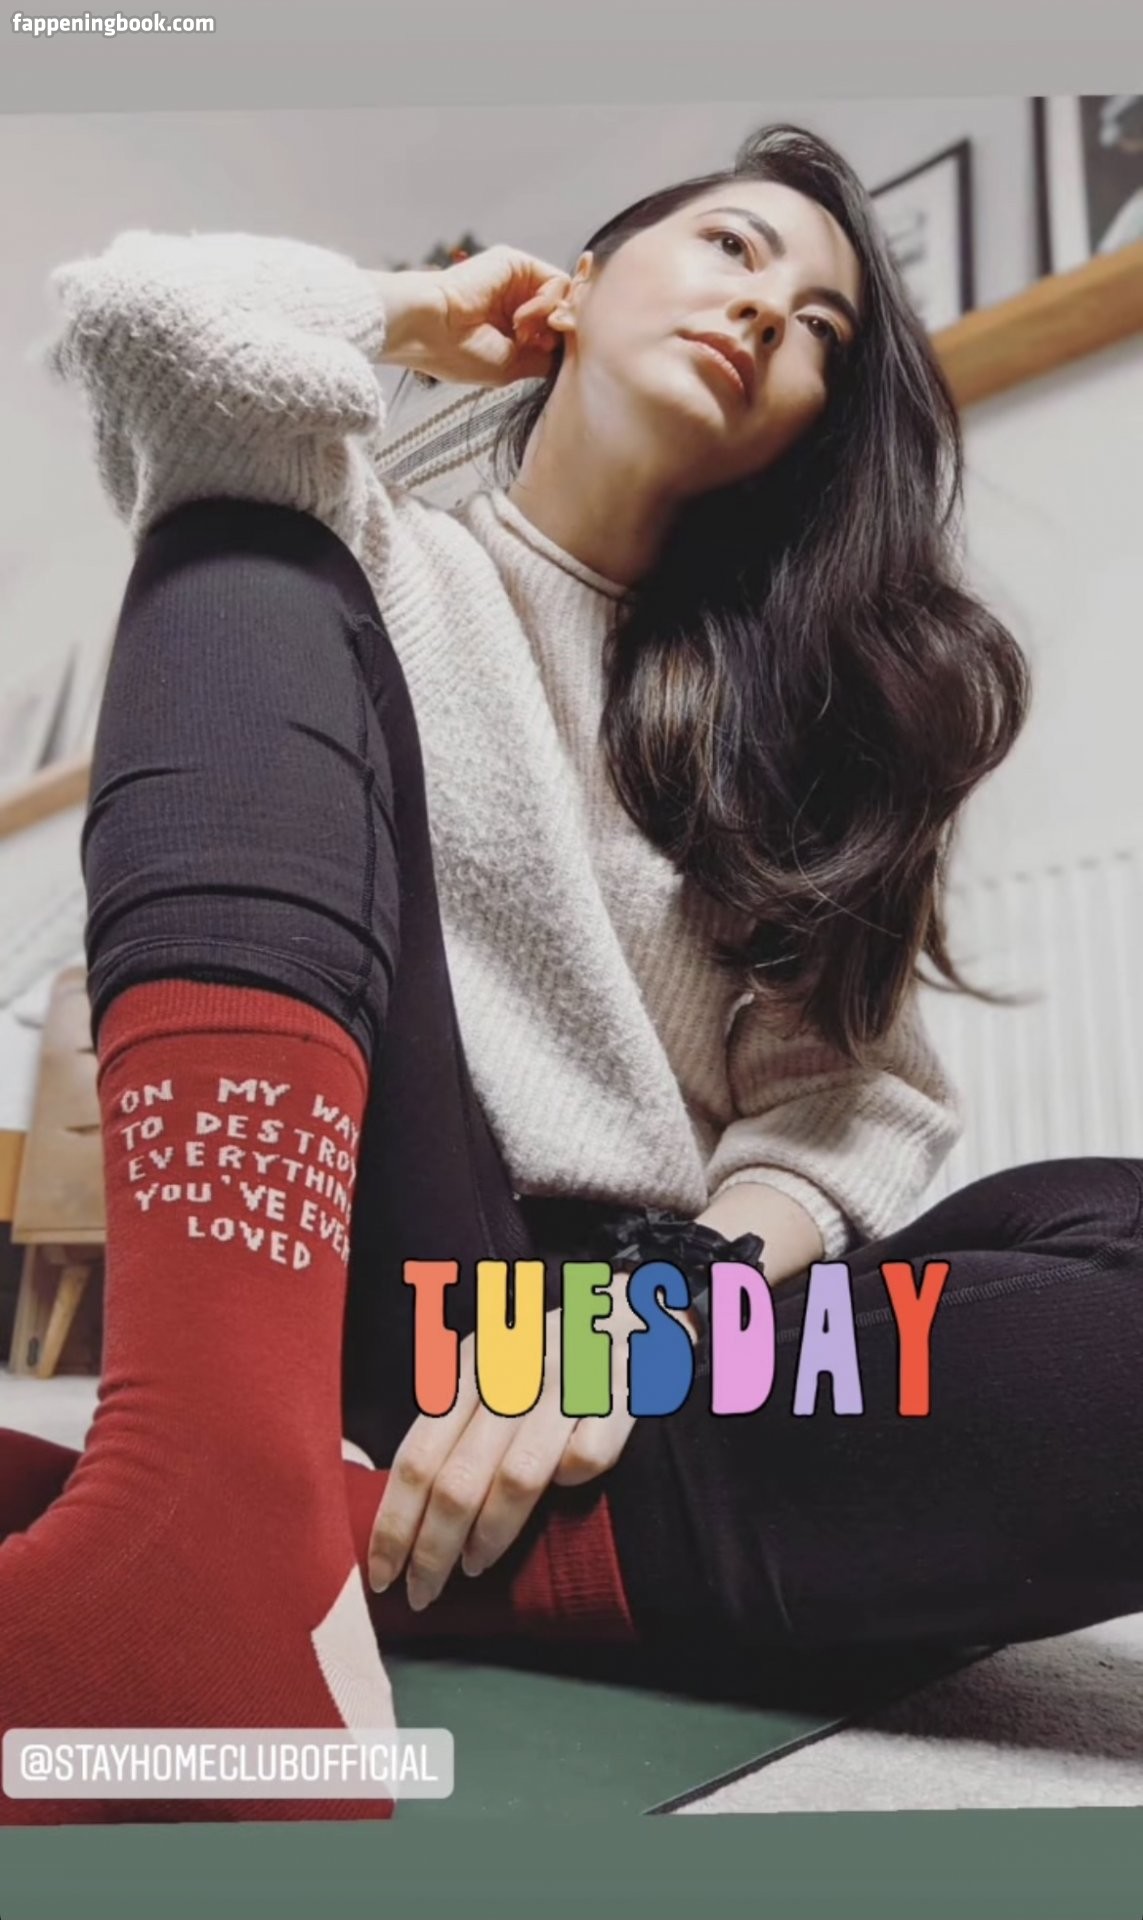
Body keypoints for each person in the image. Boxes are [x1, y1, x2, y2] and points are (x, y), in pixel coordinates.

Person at [2, 121, 1142, 1827]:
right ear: (583, 284)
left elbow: (842, 1111)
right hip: (401, 1290)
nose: (767, 315)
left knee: (1118, 1239)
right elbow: (141, 319)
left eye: (822, 328)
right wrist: (411, 311)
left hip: (661, 1335)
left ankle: (338, 1541)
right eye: (736, 249)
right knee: (240, 555)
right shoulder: (373, 547)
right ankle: (212, 1474)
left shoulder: (793, 717)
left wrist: (622, 1339)